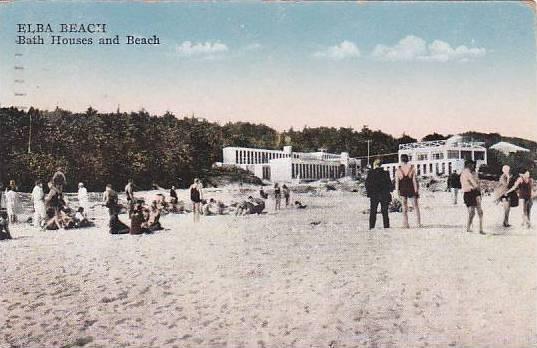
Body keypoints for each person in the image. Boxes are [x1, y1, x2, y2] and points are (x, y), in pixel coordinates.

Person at [395, 154, 422, 228]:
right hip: (411, 189)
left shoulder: (398, 170)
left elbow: (397, 183)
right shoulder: (412, 169)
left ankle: (406, 224)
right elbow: (414, 181)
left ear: (401, 160)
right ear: (407, 159)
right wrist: (416, 191)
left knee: (404, 207)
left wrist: (397, 192)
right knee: (415, 207)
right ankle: (418, 223)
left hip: (403, 189)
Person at [365, 159, 393, 230]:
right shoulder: (386, 173)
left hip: (374, 195)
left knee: (373, 211)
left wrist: (369, 193)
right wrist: (390, 191)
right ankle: (386, 226)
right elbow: (389, 184)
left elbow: (367, 184)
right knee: (385, 212)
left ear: (374, 165)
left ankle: (371, 226)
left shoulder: (371, 173)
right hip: (384, 194)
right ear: (381, 165)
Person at [460, 160, 484, 234]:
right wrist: (476, 187)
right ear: (469, 165)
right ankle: (474, 228)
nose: (473, 166)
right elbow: (476, 184)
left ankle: (477, 228)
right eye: (472, 165)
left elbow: (476, 183)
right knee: (474, 212)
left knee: (475, 212)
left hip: (471, 193)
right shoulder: (468, 173)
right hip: (472, 192)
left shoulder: (465, 173)